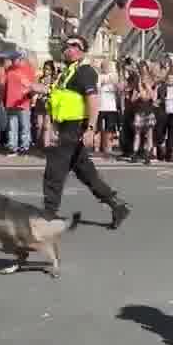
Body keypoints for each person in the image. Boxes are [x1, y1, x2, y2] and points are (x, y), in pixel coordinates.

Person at [35, 33, 131, 227]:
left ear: (81, 50)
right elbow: (60, 98)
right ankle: (117, 206)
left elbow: (93, 100)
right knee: (86, 172)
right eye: (67, 46)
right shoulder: (67, 72)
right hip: (64, 126)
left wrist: (90, 128)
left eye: (73, 46)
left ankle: (48, 213)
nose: (68, 49)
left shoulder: (85, 71)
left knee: (54, 170)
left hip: (74, 127)